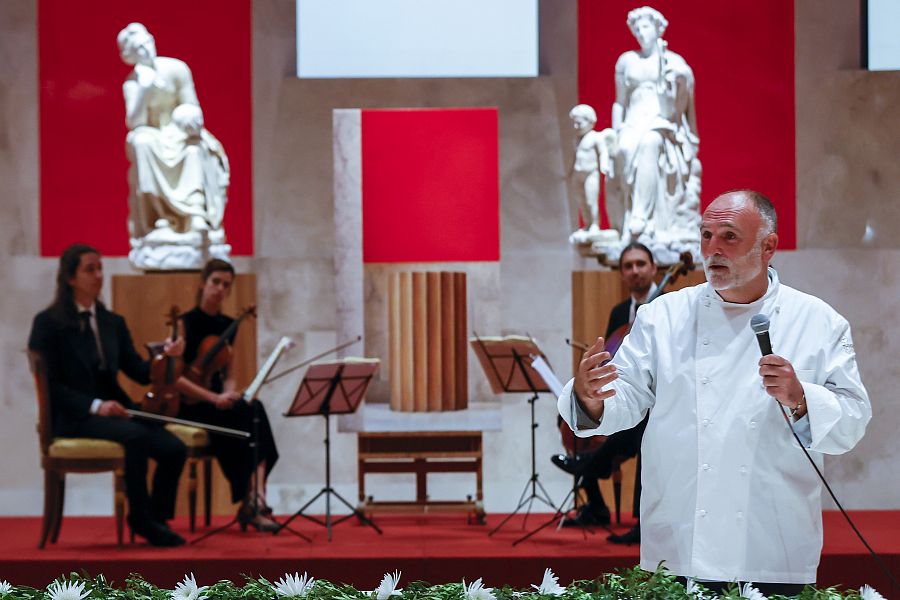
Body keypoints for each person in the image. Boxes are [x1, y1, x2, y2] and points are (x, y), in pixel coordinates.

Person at [558, 190, 870, 596]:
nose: (712, 250)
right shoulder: (663, 317)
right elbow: (628, 396)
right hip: (681, 535)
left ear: (768, 246)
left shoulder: (819, 322)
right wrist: (592, 398)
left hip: (773, 542)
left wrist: (801, 399)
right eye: (706, 236)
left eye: (729, 237)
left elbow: (853, 420)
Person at [28, 244, 188, 547]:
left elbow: (138, 371)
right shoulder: (48, 323)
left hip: (115, 410)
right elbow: (53, 387)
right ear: (70, 278)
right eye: (90, 269)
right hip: (76, 416)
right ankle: (140, 518)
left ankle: (157, 517)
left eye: (100, 268)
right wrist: (96, 406)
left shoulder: (112, 322)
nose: (99, 275)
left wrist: (165, 356)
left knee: (173, 448)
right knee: (136, 436)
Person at [553, 243, 655, 544]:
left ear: (653, 268)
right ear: (621, 273)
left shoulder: (668, 306)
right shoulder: (620, 312)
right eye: (628, 266)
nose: (635, 271)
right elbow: (612, 354)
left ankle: (639, 521)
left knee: (640, 428)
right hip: (626, 388)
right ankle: (596, 505)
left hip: (659, 398)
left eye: (640, 264)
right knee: (573, 414)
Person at [175, 259, 280, 532]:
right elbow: (176, 379)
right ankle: (252, 503)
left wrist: (229, 392)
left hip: (216, 401)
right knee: (239, 426)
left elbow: (228, 372)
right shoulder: (185, 323)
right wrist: (213, 398)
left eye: (226, 285)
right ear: (203, 283)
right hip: (190, 404)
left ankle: (256, 497)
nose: (221, 289)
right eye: (216, 282)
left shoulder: (229, 325)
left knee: (254, 409)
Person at [117, 23, 230, 252]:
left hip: (180, 133)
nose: (147, 49)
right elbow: (135, 122)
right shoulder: (132, 82)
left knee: (193, 150)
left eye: (148, 42)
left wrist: (189, 117)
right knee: (142, 142)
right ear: (131, 55)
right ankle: (160, 218)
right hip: (153, 135)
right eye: (139, 48)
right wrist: (145, 89)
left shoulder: (177, 69)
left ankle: (195, 214)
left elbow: (191, 104)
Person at [607, 6, 700, 243]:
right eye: (637, 29)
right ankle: (629, 217)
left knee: (650, 143)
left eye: (645, 27)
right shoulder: (626, 60)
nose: (641, 32)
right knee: (623, 149)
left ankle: (641, 217)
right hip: (633, 120)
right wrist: (617, 131)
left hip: (662, 122)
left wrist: (678, 79)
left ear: (658, 28)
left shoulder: (673, 60)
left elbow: (683, 97)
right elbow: (619, 102)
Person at [568, 104, 617, 242]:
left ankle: (595, 223)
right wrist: (569, 171)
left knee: (591, 200)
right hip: (578, 174)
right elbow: (574, 157)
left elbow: (603, 152)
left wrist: (604, 165)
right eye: (574, 123)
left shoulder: (596, 137)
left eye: (579, 123)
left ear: (590, 121)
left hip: (591, 173)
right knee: (581, 201)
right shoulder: (576, 140)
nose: (576, 127)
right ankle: (587, 223)